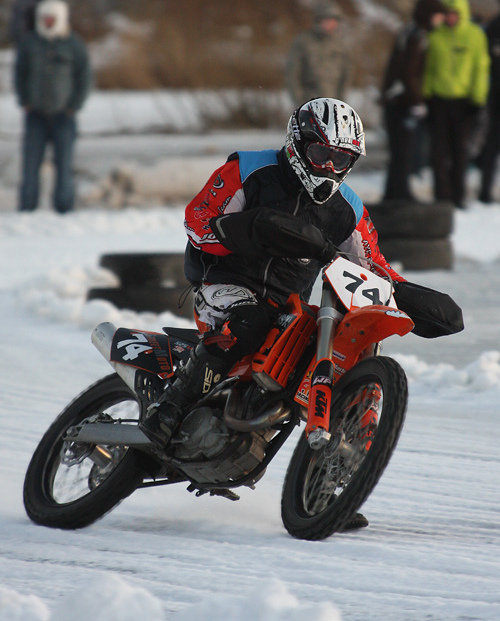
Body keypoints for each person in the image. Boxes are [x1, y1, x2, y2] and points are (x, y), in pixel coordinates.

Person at [140, 98, 464, 532]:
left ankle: (332, 485)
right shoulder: (248, 169)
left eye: (341, 159)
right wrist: (243, 230)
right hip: (224, 280)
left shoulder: (348, 208)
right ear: (297, 143)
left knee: (345, 351)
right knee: (249, 321)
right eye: (321, 153)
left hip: (286, 302)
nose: (329, 167)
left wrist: (408, 296)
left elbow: (373, 265)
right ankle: (170, 408)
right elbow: (197, 218)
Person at [14, 0, 91, 213]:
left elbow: (84, 77)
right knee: (30, 164)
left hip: (63, 116)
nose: (48, 22)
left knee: (64, 165)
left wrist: (74, 105)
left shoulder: (73, 44)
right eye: (45, 18)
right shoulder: (30, 43)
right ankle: (27, 207)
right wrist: (25, 101)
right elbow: (20, 74)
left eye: (52, 19)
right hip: (35, 115)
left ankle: (64, 208)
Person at [422, 0, 490, 208]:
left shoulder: (475, 35)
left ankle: (458, 195)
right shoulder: (436, 36)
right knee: (438, 152)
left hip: (464, 102)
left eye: (455, 13)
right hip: (439, 101)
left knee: (460, 151)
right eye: (448, 13)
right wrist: (427, 96)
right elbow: (429, 69)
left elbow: (480, 67)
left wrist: (477, 98)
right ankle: (441, 196)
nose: (451, 18)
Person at [380, 0, 447, 200]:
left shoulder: (410, 31)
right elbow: (408, 72)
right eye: (438, 16)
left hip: (396, 99)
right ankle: (400, 194)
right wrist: (417, 101)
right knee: (404, 150)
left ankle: (394, 192)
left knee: (399, 151)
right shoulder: (417, 36)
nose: (440, 21)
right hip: (402, 101)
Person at [285, 2, 351, 107]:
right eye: (328, 19)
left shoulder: (339, 45)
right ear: (319, 20)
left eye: (334, 20)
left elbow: (345, 77)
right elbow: (292, 74)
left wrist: (341, 104)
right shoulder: (303, 42)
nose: (332, 23)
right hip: (309, 103)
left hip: (333, 104)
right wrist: (301, 103)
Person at [477, 0, 500, 203]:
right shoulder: (493, 27)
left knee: (492, 144)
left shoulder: (492, 25)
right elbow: (482, 62)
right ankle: (485, 192)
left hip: (493, 94)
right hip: (494, 95)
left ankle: (485, 191)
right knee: (492, 144)